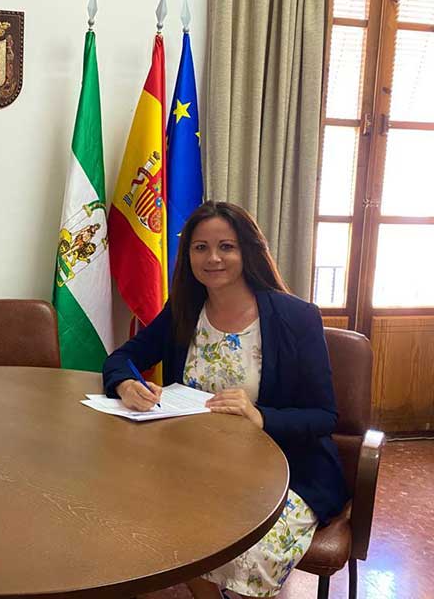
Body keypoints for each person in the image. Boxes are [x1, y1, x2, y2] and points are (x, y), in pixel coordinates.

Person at [102, 201, 348, 599]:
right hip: (196, 465)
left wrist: (260, 417)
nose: (212, 258)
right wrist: (126, 385)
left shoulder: (296, 317)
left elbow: (324, 416)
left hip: (285, 472)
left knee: (252, 555)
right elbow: (122, 358)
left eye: (226, 246)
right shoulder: (184, 311)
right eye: (200, 247)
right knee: (164, 532)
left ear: (247, 251)